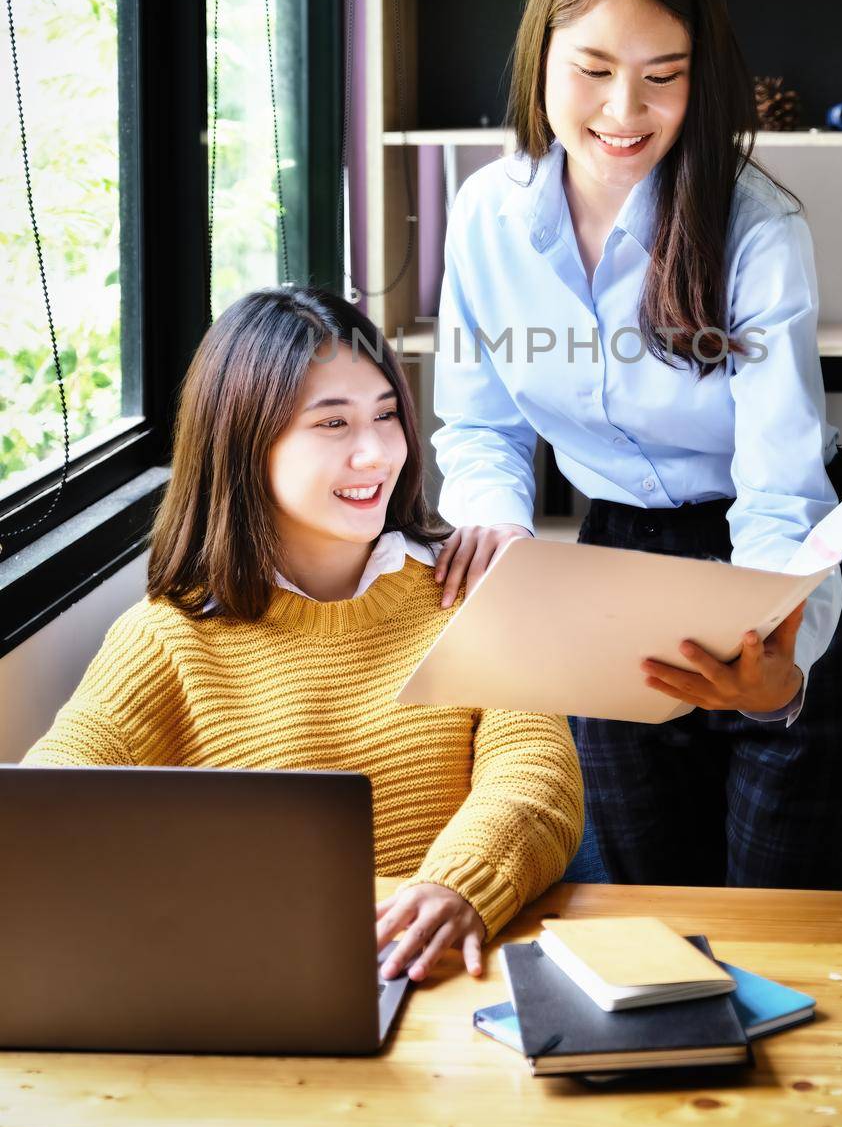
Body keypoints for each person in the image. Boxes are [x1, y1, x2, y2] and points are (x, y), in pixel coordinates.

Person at [430, 0, 842, 890]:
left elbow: (779, 480)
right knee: (643, 912)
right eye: (591, 70)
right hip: (614, 563)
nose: (623, 111)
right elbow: (478, 425)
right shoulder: (485, 217)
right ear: (539, 56)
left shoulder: (757, 229)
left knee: (788, 923)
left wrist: (777, 649)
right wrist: (497, 531)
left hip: (778, 556)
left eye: (662, 76)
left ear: (702, 71)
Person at [23, 287, 583, 980]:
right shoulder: (166, 637)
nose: (376, 454)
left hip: (453, 969)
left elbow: (535, 776)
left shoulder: (472, 592)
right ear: (245, 441)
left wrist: (454, 887)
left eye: (385, 416)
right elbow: (46, 803)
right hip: (254, 981)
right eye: (332, 425)